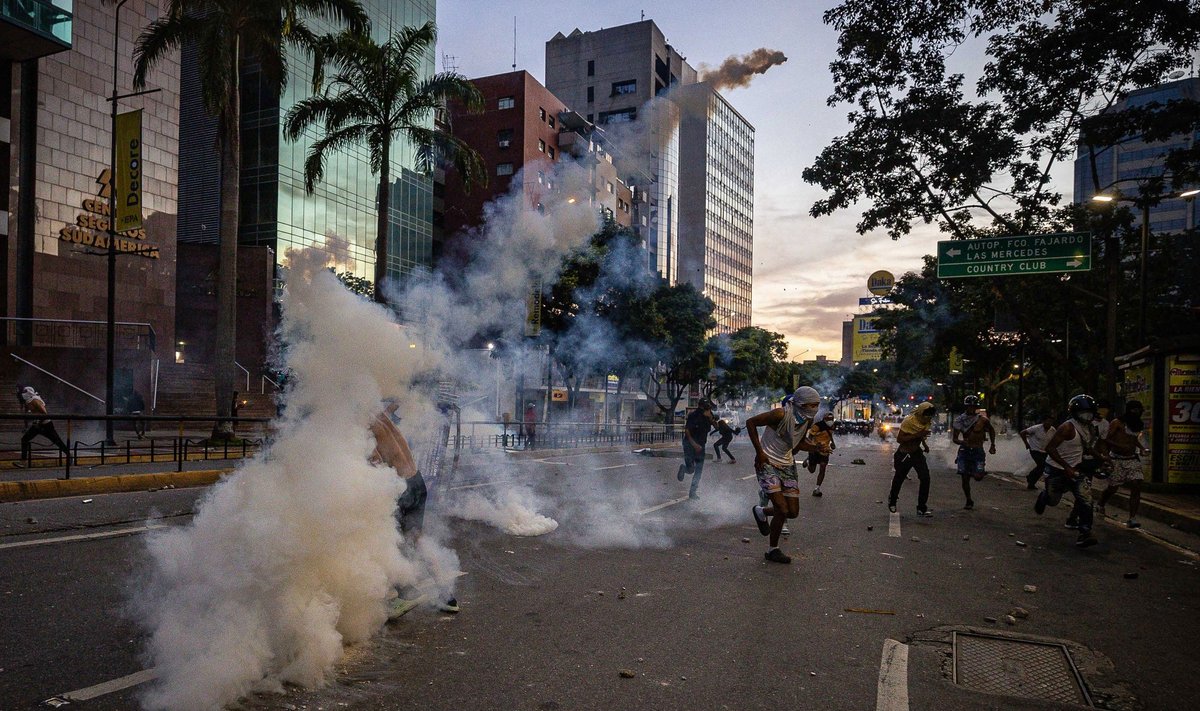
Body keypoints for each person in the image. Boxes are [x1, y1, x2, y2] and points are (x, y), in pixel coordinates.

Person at [370, 401, 459, 614]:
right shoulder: (380, 417)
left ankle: (405, 595)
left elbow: (375, 461)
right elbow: (393, 406)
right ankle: (447, 596)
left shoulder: (363, 425)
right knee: (417, 539)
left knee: (389, 540)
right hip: (417, 482)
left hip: (402, 487)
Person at [747, 386, 827, 564]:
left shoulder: (807, 419)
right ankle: (772, 550)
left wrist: (816, 447)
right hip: (767, 463)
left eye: (817, 405)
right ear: (802, 403)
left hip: (787, 465)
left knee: (792, 512)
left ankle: (761, 511)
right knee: (782, 510)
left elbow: (797, 445)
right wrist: (760, 452)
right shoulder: (780, 415)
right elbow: (750, 423)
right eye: (812, 405)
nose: (815, 408)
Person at [1036, 394, 1100, 548]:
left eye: (1090, 412)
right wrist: (1066, 467)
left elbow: (1088, 448)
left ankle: (1085, 532)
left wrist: (1102, 458)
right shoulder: (1067, 428)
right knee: (1053, 500)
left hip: (1077, 469)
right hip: (1057, 469)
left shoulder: (1089, 429)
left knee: (1086, 499)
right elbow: (1050, 448)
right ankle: (1044, 497)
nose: (1087, 416)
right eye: (1084, 412)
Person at [1097, 400, 1149, 528]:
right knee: (1113, 487)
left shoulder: (1137, 424)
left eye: (1139, 410)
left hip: (1131, 459)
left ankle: (1132, 517)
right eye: (1135, 410)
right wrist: (1118, 447)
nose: (1137, 413)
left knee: (1137, 484)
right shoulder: (1117, 423)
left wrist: (1141, 448)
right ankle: (1100, 504)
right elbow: (1106, 439)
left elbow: (1133, 439)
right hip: (1117, 459)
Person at [888, 402, 936, 516]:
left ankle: (921, 507)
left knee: (925, 478)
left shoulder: (927, 422)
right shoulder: (909, 421)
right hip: (905, 454)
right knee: (899, 478)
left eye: (930, 415)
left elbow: (921, 435)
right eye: (926, 414)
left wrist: (924, 444)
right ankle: (892, 500)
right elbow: (900, 439)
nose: (928, 417)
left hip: (917, 453)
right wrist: (918, 435)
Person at [952, 395, 996, 510]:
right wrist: (962, 442)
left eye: (973, 406)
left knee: (978, 477)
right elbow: (955, 439)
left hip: (978, 451)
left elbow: (991, 430)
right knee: (964, 477)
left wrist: (992, 444)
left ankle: (974, 471)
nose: (971, 408)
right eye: (969, 406)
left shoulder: (983, 420)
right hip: (965, 451)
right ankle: (968, 500)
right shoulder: (959, 420)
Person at [17, 386, 70, 465]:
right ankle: (23, 461)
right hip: (37, 425)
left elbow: (44, 413)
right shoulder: (29, 401)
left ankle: (69, 455)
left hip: (46, 424)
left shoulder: (35, 400)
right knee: (24, 439)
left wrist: (38, 421)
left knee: (57, 440)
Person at [677, 399, 715, 498]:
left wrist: (711, 418)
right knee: (691, 469)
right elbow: (687, 431)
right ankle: (684, 468)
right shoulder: (694, 415)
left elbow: (717, 426)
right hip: (690, 445)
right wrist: (694, 444)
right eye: (706, 405)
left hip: (701, 446)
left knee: (698, 470)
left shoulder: (709, 415)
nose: (708, 407)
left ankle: (692, 492)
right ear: (701, 405)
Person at [1019, 413, 1056, 490]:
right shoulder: (1036, 428)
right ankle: (1030, 478)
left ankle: (1031, 482)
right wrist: (1026, 443)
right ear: (1044, 421)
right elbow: (1023, 433)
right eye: (1047, 421)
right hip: (1035, 449)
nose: (1049, 423)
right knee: (1041, 465)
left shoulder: (1053, 430)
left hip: (1045, 451)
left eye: (1050, 422)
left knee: (1042, 467)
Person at [805, 412, 838, 497]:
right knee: (812, 470)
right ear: (824, 419)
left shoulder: (832, 426)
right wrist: (811, 447)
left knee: (823, 467)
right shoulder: (817, 426)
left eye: (831, 419)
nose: (830, 421)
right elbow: (809, 437)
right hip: (815, 450)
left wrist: (832, 443)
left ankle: (817, 488)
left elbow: (830, 435)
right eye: (828, 419)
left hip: (825, 450)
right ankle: (809, 461)